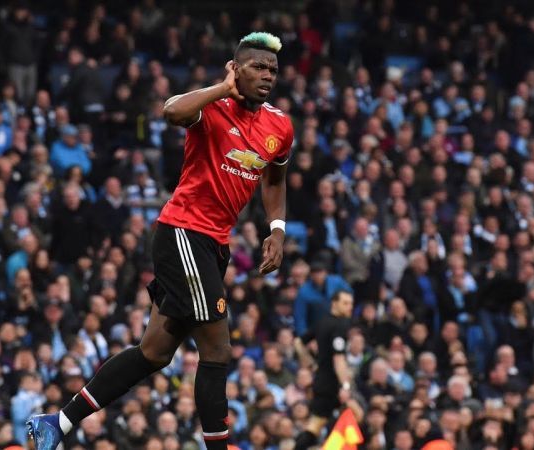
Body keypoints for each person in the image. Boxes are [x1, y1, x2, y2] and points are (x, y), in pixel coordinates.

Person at [27, 31, 293, 450]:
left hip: (214, 244)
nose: (267, 75)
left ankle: (57, 422)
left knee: (154, 353)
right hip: (183, 232)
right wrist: (221, 88)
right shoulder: (212, 108)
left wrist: (276, 229)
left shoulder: (279, 124)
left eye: (273, 70)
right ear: (235, 68)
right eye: (258, 67)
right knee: (218, 350)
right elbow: (170, 111)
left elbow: (274, 179)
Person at [292, 290, 355, 450]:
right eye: (345, 303)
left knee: (321, 424)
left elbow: (299, 343)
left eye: (351, 304)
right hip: (332, 385)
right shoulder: (339, 325)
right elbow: (338, 359)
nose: (350, 307)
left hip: (321, 380)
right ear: (334, 303)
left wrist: (312, 365)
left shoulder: (322, 322)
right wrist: (345, 386)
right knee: (354, 417)